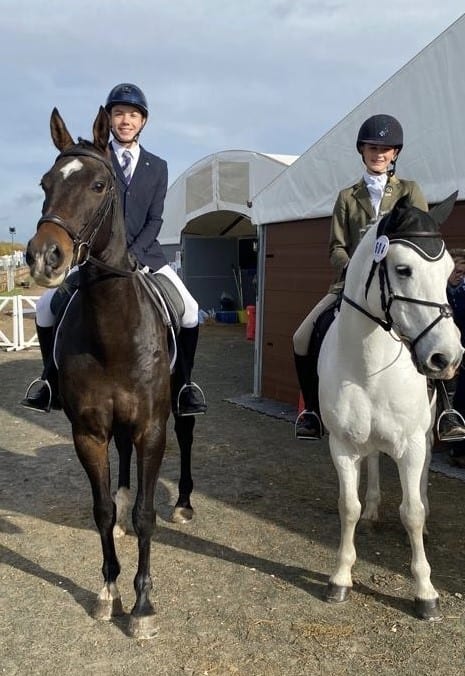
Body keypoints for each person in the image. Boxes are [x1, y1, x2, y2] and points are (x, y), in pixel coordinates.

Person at [21, 83, 207, 417]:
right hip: (95, 257)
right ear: (109, 119)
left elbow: (155, 217)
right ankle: (49, 379)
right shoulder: (94, 159)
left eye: (133, 115)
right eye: (119, 113)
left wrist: (135, 252)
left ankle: (183, 386)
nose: (126, 120)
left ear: (143, 122)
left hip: (146, 256)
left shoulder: (158, 166)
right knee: (46, 306)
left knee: (191, 310)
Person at [293, 113, 465, 443]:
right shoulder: (347, 196)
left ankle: (444, 410)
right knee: (301, 337)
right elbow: (336, 246)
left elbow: (420, 238)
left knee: (436, 334)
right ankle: (313, 412)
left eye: (385, 149)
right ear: (362, 151)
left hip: (400, 288)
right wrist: (355, 270)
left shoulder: (410, 190)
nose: (379, 154)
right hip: (352, 288)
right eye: (372, 148)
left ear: (395, 153)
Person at [445, 249, 465, 466]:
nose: (460, 274)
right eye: (456, 270)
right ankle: (456, 450)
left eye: (463, 271)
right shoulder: (438, 293)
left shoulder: (463, 293)